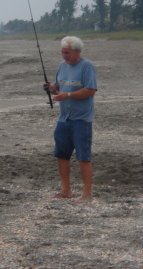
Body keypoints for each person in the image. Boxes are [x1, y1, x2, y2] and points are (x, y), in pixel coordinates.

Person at [44, 36, 98, 203]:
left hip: (81, 119)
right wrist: (51, 88)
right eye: (62, 52)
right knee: (61, 155)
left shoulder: (87, 66)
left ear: (76, 51)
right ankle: (66, 191)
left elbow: (90, 90)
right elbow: (58, 87)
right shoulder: (62, 66)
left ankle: (87, 194)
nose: (64, 56)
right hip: (63, 119)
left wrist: (67, 95)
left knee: (83, 157)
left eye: (67, 53)